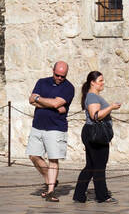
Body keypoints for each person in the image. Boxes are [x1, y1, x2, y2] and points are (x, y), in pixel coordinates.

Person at [28, 61, 75, 201]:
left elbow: (56, 103)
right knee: (33, 156)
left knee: (53, 159)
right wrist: (51, 104)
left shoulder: (68, 87)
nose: (60, 78)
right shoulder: (42, 82)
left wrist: (40, 100)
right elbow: (31, 100)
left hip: (56, 127)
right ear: (52, 70)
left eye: (63, 76)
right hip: (37, 125)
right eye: (57, 75)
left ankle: (50, 190)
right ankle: (50, 179)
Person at [73, 70, 120, 204]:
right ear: (92, 83)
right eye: (100, 81)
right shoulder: (93, 96)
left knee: (91, 166)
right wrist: (111, 107)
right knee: (99, 165)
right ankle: (102, 195)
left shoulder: (93, 96)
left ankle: (79, 194)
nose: (103, 83)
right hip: (95, 133)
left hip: (92, 132)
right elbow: (95, 115)